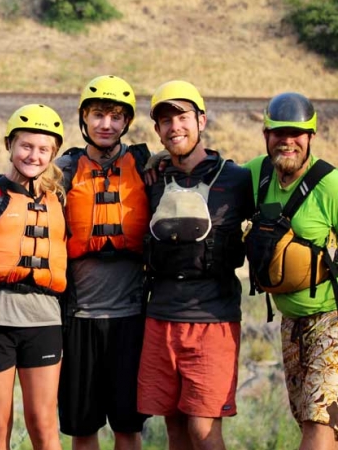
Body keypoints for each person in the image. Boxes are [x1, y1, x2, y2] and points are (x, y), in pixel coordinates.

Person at [138, 80, 252, 450]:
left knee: (204, 431)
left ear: (201, 120)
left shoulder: (237, 179)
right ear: (157, 131)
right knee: (174, 429)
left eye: (183, 117)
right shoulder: (153, 178)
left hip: (212, 319)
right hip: (161, 315)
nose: (175, 128)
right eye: (166, 121)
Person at [56, 75, 149, 450]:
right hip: (79, 319)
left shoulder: (146, 165)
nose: (106, 124)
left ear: (126, 121)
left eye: (115, 116)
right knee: (83, 428)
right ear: (83, 117)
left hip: (130, 317)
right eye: (98, 115)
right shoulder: (61, 170)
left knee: (127, 427)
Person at [243, 92, 338, 450]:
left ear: (311, 136)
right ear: (266, 134)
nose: (287, 141)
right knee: (312, 421)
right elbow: (216, 184)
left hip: (331, 320)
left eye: (296, 133)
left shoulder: (330, 185)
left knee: (319, 420)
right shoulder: (256, 175)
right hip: (290, 321)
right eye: (278, 133)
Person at [0, 104, 67, 450]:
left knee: (43, 425)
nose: (33, 155)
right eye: (25, 146)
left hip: (43, 322)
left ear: (53, 153)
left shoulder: (60, 198)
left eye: (43, 149)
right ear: (9, 145)